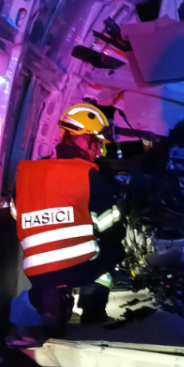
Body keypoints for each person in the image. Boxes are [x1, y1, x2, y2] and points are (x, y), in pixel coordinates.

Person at [14, 103, 125, 336]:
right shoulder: (89, 176)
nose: (99, 151)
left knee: (56, 267)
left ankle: (49, 298)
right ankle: (92, 309)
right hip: (78, 269)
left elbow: (18, 214)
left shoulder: (27, 173)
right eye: (96, 143)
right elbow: (112, 229)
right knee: (112, 251)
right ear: (80, 137)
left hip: (35, 269)